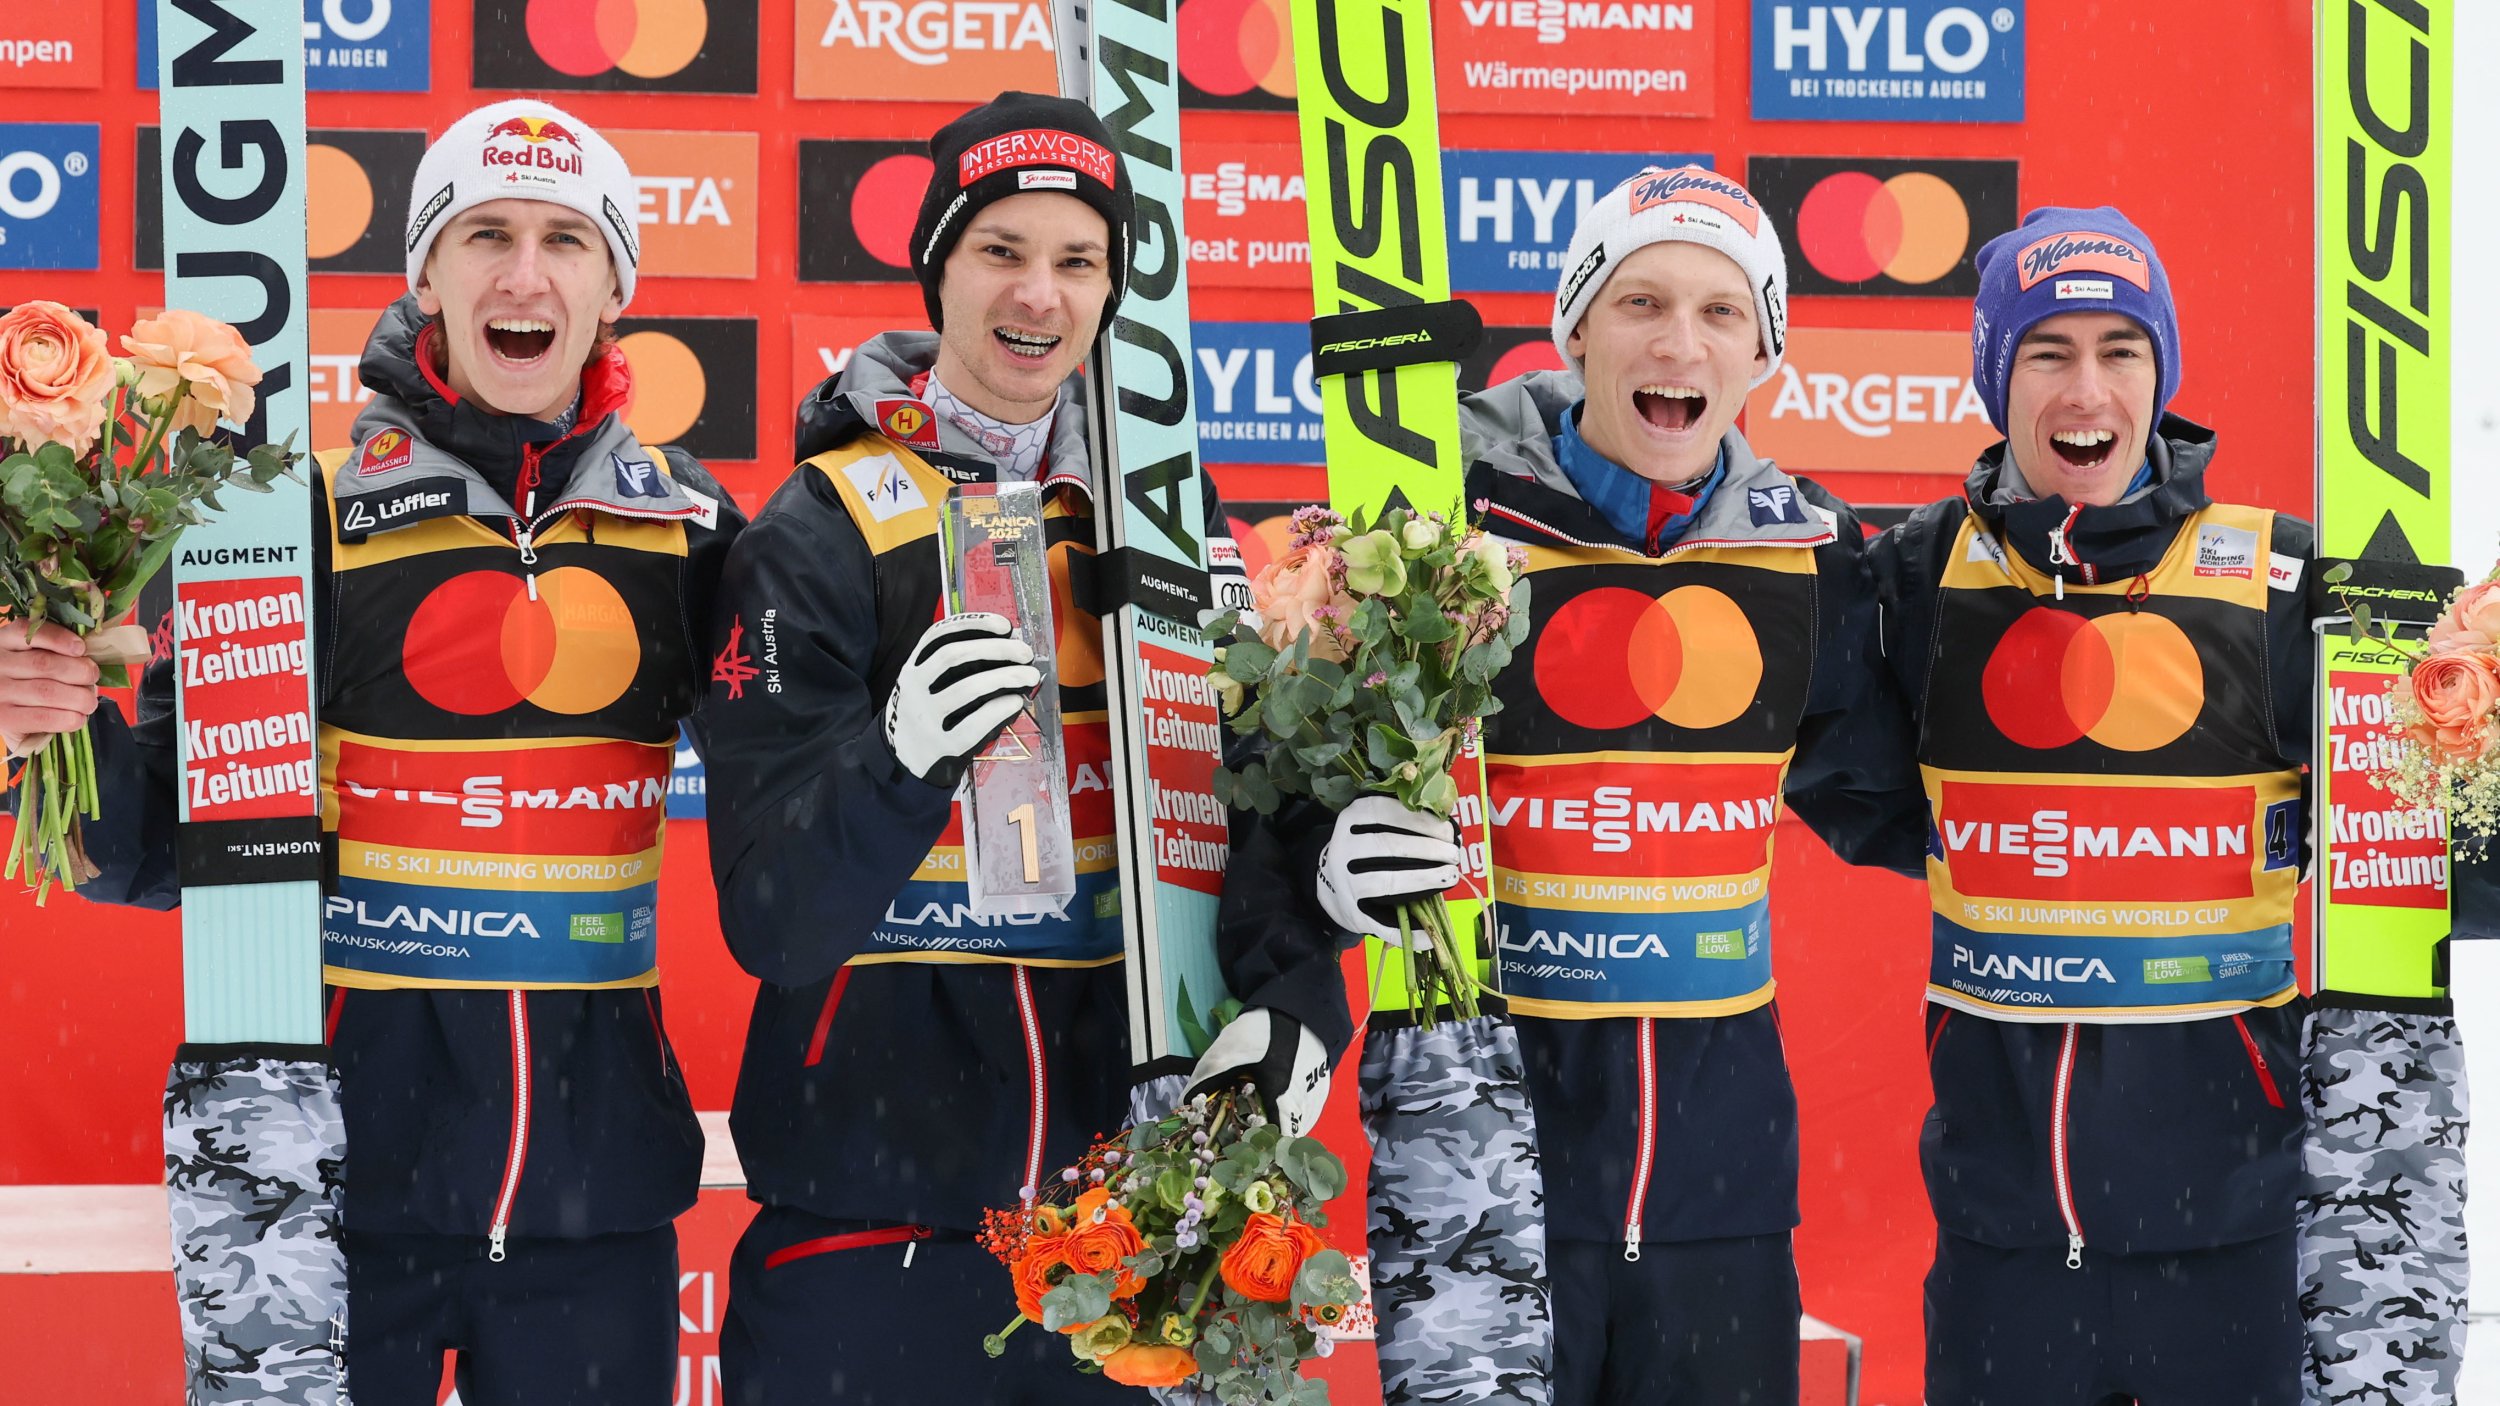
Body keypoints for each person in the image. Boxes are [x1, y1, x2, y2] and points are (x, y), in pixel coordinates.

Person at [0, 100, 743, 1405]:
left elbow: (793, 764)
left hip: (592, 1207)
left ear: (617, 279)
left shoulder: (693, 530)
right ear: (426, 273)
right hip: (317, 1203)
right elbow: (156, 844)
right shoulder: (297, 519)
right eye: (487, 233)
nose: (526, 272)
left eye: (568, 238)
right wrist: (36, 725)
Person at [1237, 164, 1926, 1404]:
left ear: (1764, 352)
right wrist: (1324, 875)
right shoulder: (1432, 532)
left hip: (1716, 1190)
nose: (1679, 340)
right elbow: (1267, 815)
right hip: (1478, 1164)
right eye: (1641, 301)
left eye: (1723, 313)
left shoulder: (1806, 552)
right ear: (1574, 327)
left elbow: (1902, 798)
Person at [696, 92, 1300, 1405]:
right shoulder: (823, 525)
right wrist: (900, 753)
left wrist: (1300, 1013)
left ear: (1114, 290)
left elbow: (1253, 852)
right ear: (938, 267)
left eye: (1078, 260)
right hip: (868, 1239)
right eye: (1001, 250)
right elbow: (775, 919)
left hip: (1123, 1242)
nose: (1039, 294)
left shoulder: (1170, 524)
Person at [1867, 207, 2312, 1405]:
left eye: (2121, 348)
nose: (2087, 386)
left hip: (2225, 1231)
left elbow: (2427, 845)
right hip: (2003, 1237)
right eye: (2046, 350)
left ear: (2159, 372)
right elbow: (1856, 792)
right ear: (1991, 374)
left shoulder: (2279, 577)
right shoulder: (1915, 574)